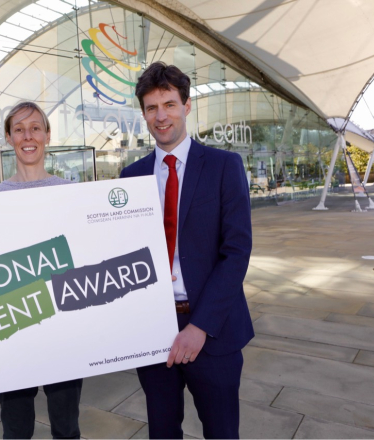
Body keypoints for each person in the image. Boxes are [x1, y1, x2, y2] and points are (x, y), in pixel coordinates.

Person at [120, 62, 254, 439]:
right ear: (143, 113)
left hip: (213, 330)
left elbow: (237, 251)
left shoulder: (224, 166)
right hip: (154, 330)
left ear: (187, 106)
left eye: (169, 104)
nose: (161, 116)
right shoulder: (131, 178)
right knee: (162, 432)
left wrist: (201, 326)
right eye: (151, 108)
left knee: (221, 431)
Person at [0, 101, 82, 439]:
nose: (29, 136)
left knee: (67, 428)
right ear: (9, 138)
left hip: (64, 331)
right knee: (16, 430)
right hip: (14, 332)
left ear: (48, 136)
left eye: (36, 128)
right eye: (19, 129)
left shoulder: (73, 194)